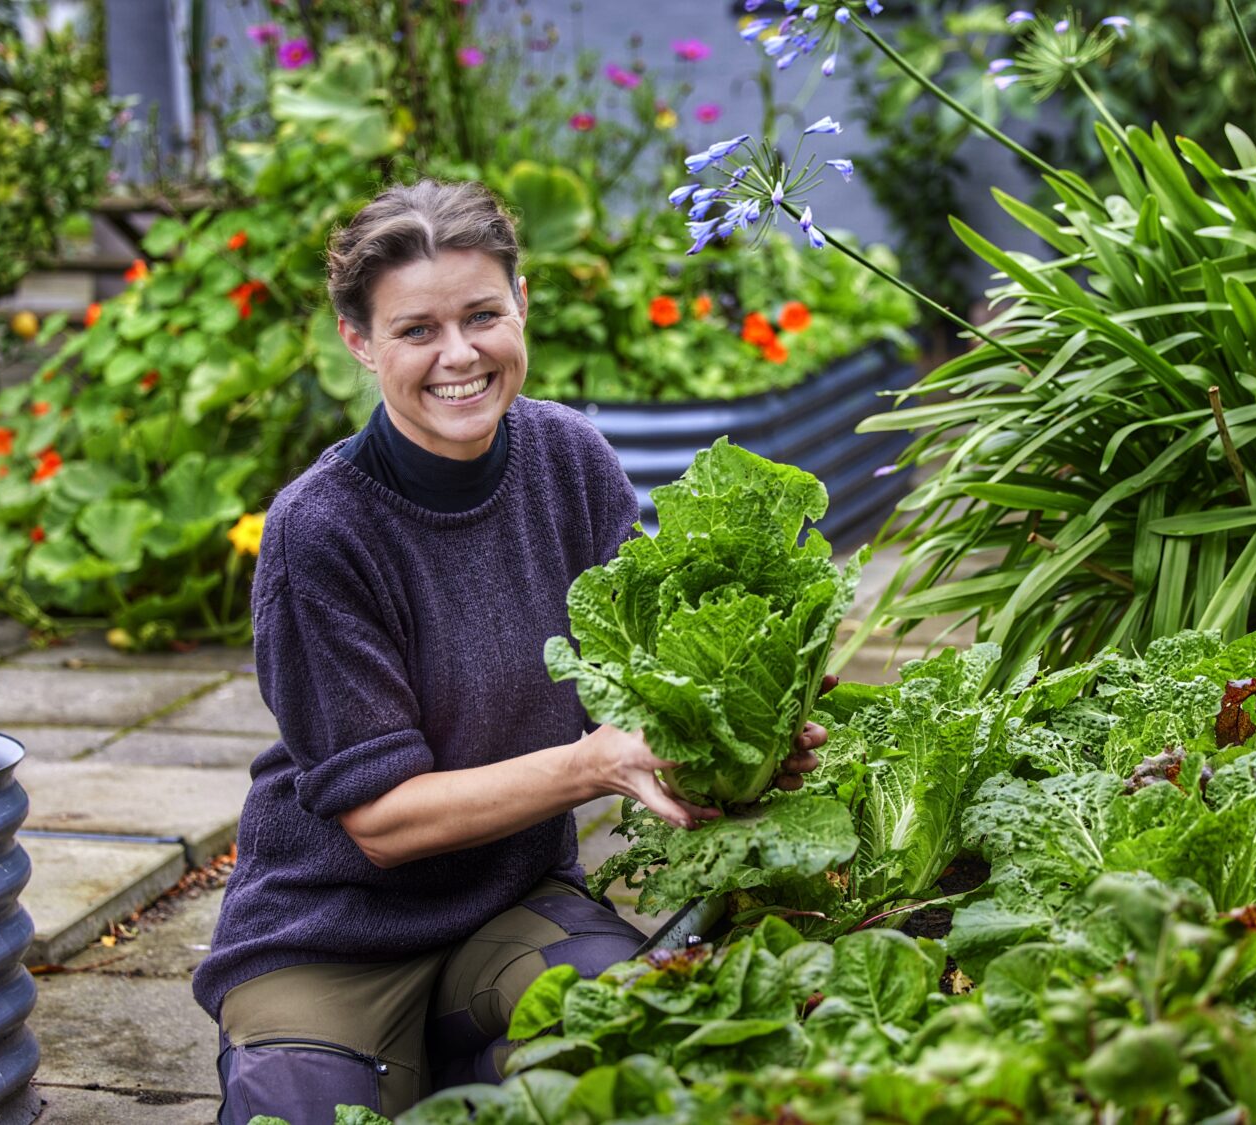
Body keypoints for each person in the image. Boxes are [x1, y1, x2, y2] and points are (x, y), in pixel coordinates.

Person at [191, 179, 828, 1123]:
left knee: (636, 1041)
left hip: (509, 905)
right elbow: (383, 820)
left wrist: (735, 745)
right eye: (415, 330)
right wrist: (591, 765)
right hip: (330, 933)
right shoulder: (319, 531)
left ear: (521, 307)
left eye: (483, 314)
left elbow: (633, 683)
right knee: (300, 1114)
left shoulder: (569, 459)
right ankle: (395, 1063)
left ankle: (460, 1063)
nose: (459, 355)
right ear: (359, 343)